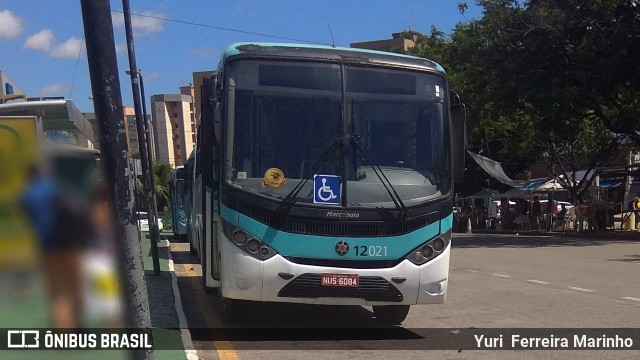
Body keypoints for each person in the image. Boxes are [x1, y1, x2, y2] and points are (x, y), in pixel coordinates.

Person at [21, 163, 90, 328]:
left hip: (46, 247)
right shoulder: (55, 187)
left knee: (57, 292)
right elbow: (77, 208)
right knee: (75, 285)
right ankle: (78, 323)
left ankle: (64, 330)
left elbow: (29, 218)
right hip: (68, 245)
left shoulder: (27, 194)